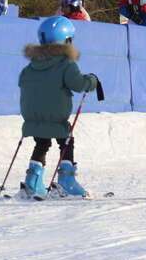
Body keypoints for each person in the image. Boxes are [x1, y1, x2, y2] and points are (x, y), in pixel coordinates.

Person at [18, 16, 99, 199]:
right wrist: (92, 81)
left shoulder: (32, 65)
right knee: (66, 141)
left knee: (42, 142)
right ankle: (66, 181)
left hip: (33, 117)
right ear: (66, 40)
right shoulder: (65, 64)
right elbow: (78, 84)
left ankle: (33, 180)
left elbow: (22, 82)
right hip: (56, 117)